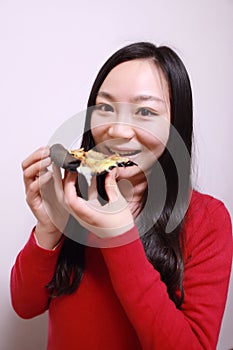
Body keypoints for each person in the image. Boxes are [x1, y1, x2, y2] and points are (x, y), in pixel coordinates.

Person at [10, 42, 232, 350]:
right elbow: (25, 305)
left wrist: (120, 238)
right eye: (105, 107)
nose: (118, 130)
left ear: (175, 125)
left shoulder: (208, 219)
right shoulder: (74, 194)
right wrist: (49, 228)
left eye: (145, 111)